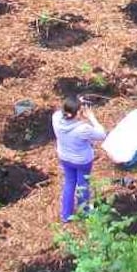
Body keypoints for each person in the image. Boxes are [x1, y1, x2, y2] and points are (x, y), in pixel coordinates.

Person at [52, 95, 106, 223]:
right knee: (83, 185)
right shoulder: (83, 129)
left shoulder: (56, 118)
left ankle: (66, 215)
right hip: (82, 161)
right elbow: (102, 134)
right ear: (77, 114)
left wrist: (75, 103)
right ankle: (85, 211)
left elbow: (63, 111)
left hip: (65, 157)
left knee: (69, 183)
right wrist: (92, 117)